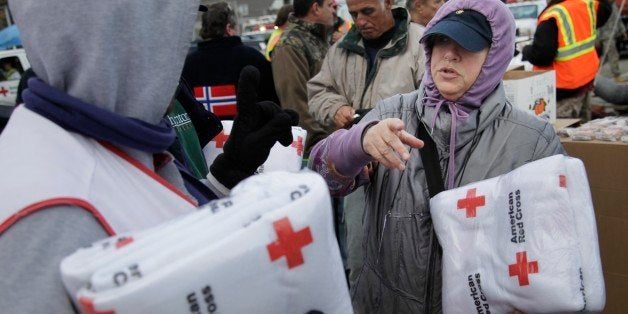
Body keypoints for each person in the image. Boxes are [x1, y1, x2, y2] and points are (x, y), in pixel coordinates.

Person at [0, 0, 296, 312]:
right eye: (168, 37)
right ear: (117, 35)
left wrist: (225, 178)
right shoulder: (47, 217)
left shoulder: (116, 136)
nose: (178, 60)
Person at [309, 0, 565, 311]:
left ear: (495, 55)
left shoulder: (533, 141)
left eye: (467, 44)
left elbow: (555, 249)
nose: (449, 54)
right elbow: (324, 178)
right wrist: (356, 144)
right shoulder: (391, 114)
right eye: (441, 40)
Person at [307, 0, 425, 286]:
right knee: (360, 251)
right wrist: (337, 109)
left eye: (368, 12)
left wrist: (391, 130)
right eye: (354, 13)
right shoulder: (340, 51)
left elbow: (433, 101)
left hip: (407, 167)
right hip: (357, 168)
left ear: (389, 3)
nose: (359, 21)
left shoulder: (421, 42)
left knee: (409, 253)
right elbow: (318, 92)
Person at [182, 1, 279, 119]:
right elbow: (271, 105)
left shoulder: (187, 64)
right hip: (248, 135)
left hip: (204, 136)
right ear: (228, 28)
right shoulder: (254, 59)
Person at [522, 0, 611, 120]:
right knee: (581, 131)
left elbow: (542, 56)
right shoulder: (587, 4)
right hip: (586, 79)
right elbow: (606, 9)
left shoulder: (552, 16)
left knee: (563, 133)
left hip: (563, 87)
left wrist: (526, 50)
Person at [272, 0, 336, 155]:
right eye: (330, 6)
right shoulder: (290, 45)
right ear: (316, 8)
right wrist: (321, 147)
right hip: (319, 149)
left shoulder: (318, 39)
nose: (335, 11)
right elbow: (296, 104)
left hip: (335, 140)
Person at [596, 0, 626, 80]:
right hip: (605, 35)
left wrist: (623, 32)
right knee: (612, 55)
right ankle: (616, 74)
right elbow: (596, 22)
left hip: (611, 34)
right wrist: (597, 39)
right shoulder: (601, 6)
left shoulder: (613, 5)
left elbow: (618, 19)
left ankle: (593, 74)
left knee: (606, 56)